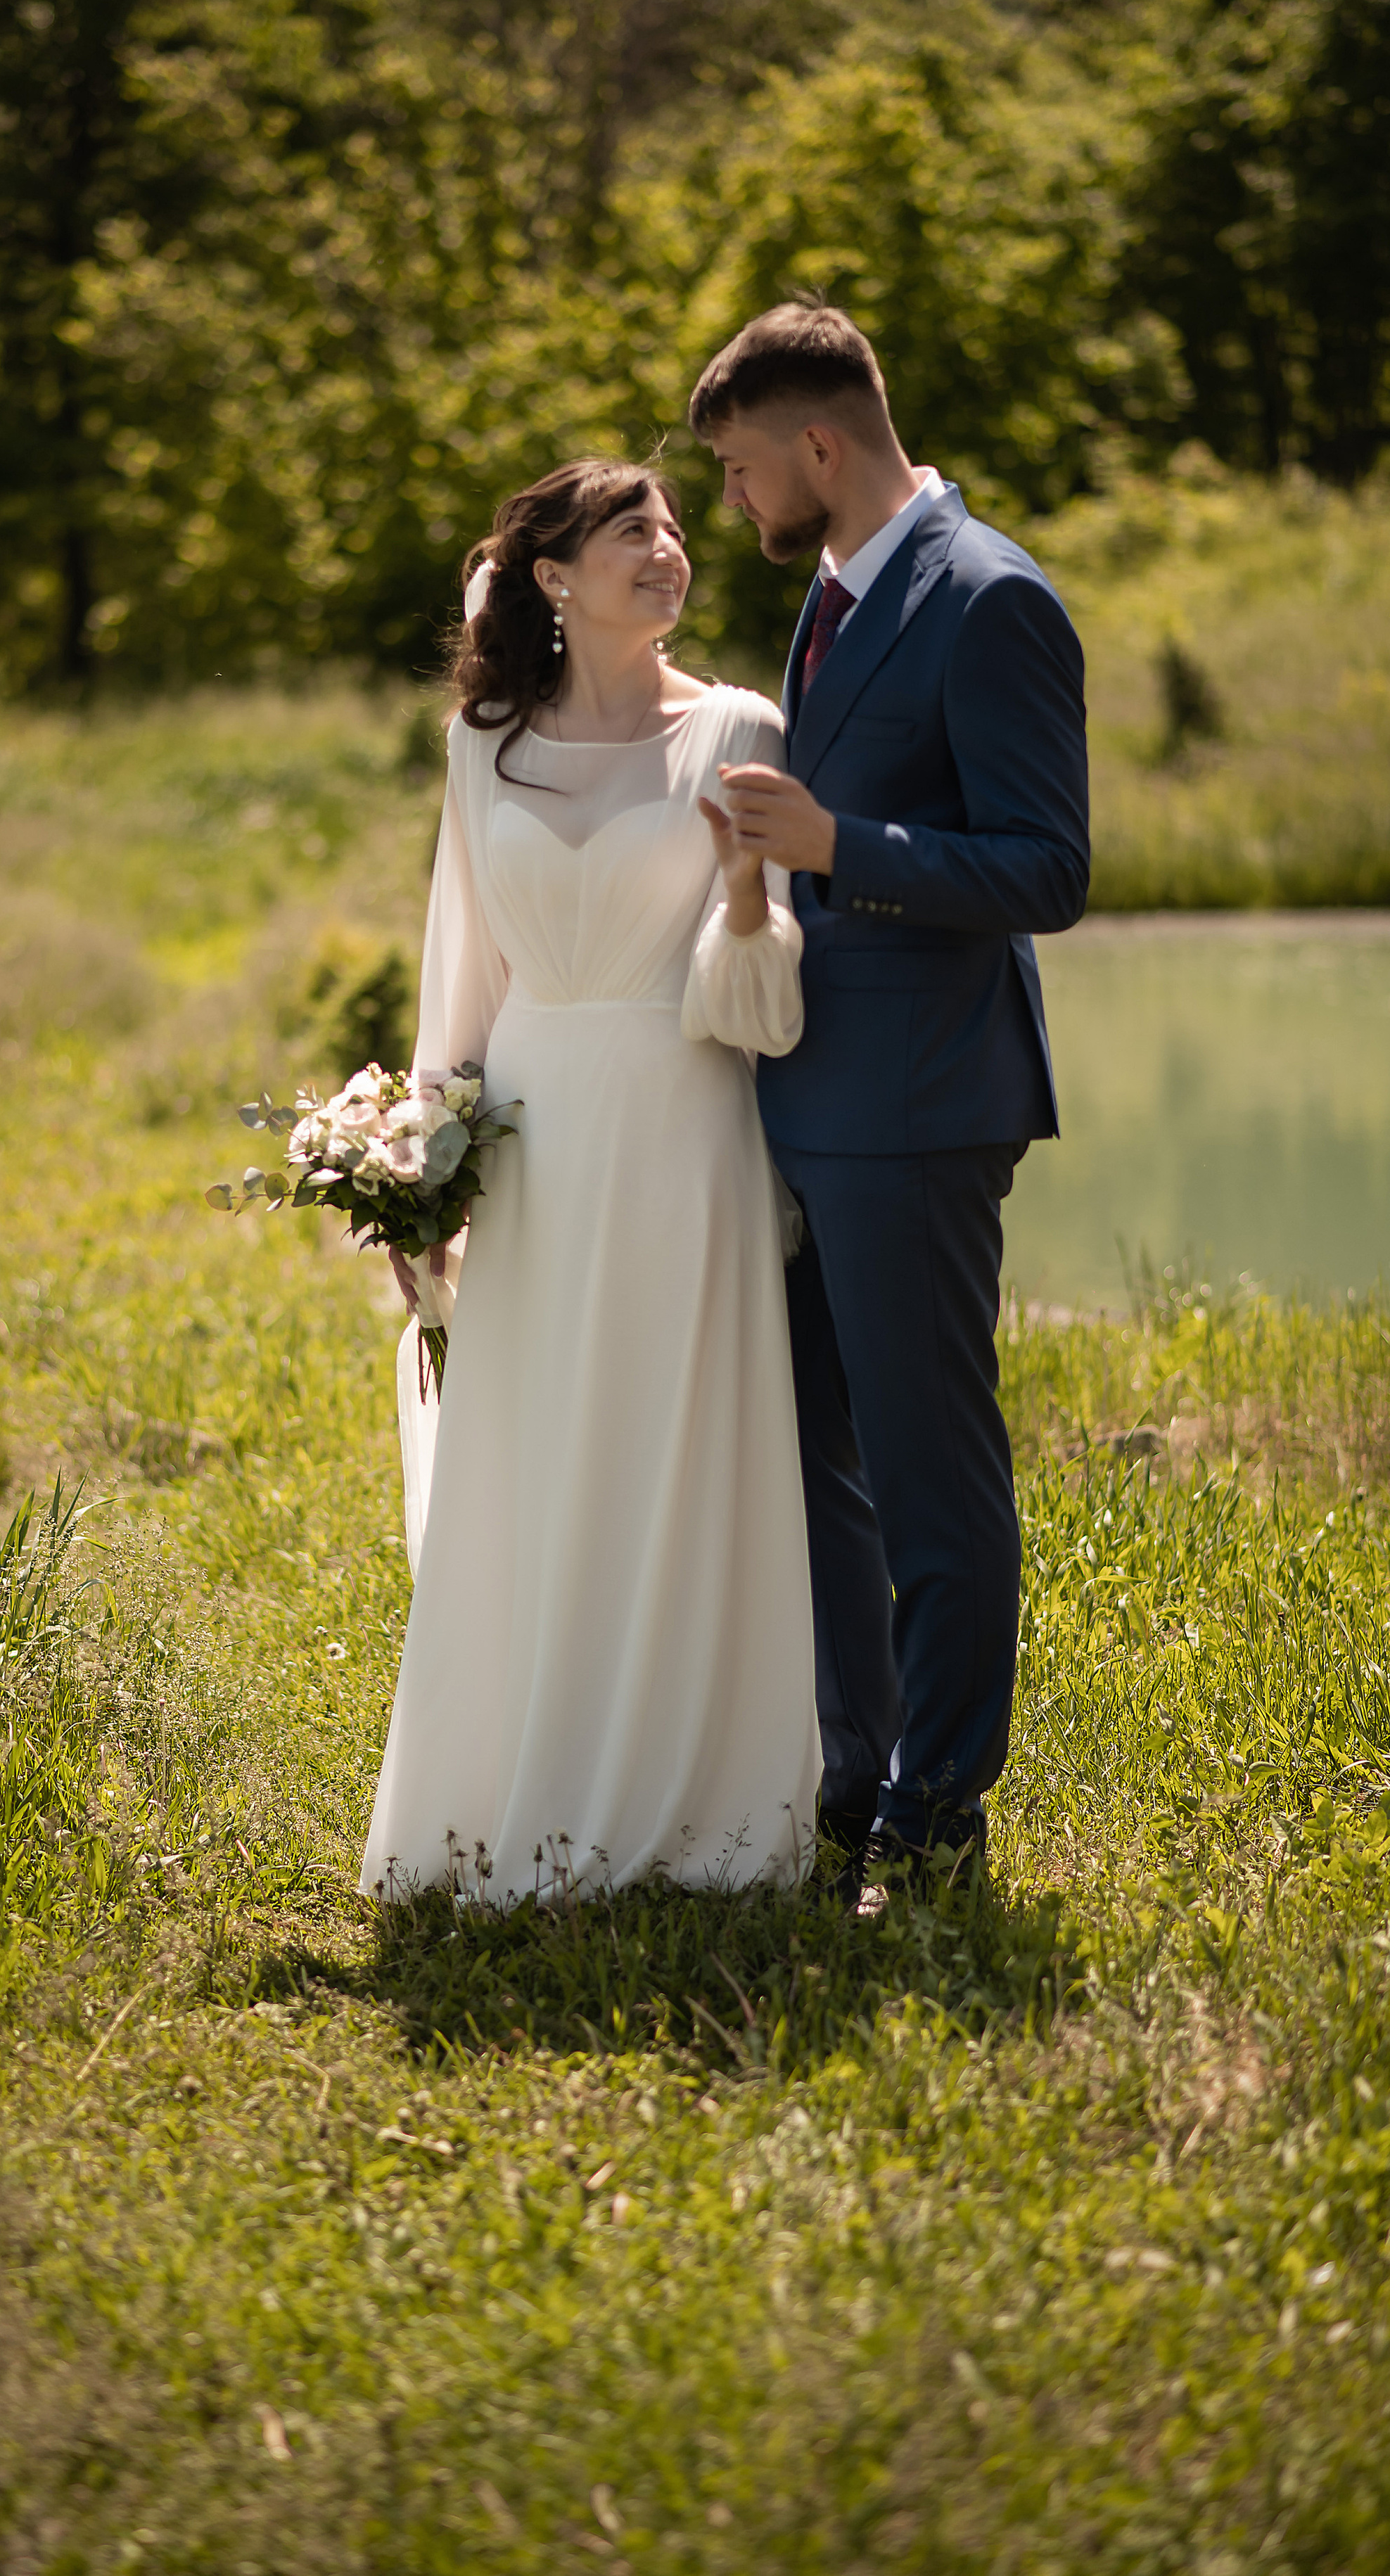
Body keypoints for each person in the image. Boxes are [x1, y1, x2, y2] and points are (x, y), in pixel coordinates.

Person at [361, 459, 822, 1905]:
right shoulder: (478, 744)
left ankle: (699, 1808)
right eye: (633, 531)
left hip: (688, 1131)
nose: (669, 550)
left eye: (676, 528)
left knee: (681, 1445)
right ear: (552, 577)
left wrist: (747, 893)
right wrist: (417, 1175)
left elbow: (761, 1004)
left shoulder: (740, 726)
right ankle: (517, 1786)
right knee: (539, 1443)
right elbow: (459, 978)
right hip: (531, 1141)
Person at [687, 300, 1090, 1886]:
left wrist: (837, 850)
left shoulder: (988, 601)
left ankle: (940, 1814)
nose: (733, 505)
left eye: (736, 472)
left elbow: (1046, 870)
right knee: (813, 1457)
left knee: (930, 1472)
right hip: (808, 1095)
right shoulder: (839, 593)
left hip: (922, 1104)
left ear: (819, 445)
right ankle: (852, 1776)